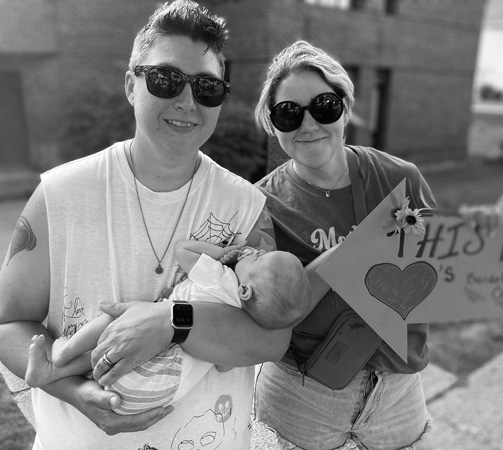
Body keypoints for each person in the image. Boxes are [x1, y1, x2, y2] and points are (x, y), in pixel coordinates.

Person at [0, 2, 292, 449]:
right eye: (166, 79)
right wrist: (72, 391)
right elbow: (9, 322)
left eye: (208, 87)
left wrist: (173, 321)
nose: (187, 101)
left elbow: (271, 341)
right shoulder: (58, 195)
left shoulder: (245, 206)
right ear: (131, 85)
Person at [253, 40, 437, 450]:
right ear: (272, 123)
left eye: (324, 106)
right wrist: (351, 254)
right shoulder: (261, 203)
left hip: (399, 390)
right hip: (302, 394)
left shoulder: (399, 178)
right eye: (288, 113)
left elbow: (443, 277)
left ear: (346, 107)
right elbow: (272, 313)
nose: (308, 124)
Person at [24, 241, 311, 416]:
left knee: (118, 321)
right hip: (159, 389)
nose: (257, 250)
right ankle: (52, 371)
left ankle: (62, 355)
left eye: (259, 258)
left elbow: (182, 250)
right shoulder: (239, 322)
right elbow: (224, 367)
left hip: (145, 368)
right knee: (115, 349)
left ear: (246, 291)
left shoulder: (221, 279)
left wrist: (222, 253)